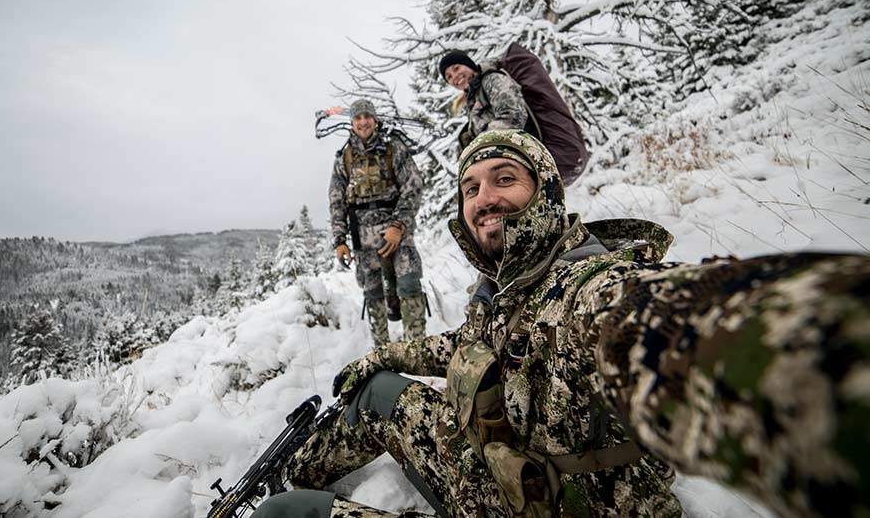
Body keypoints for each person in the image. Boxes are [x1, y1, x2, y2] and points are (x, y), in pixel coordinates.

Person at [257, 129, 869, 518]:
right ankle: (291, 470)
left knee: (284, 517)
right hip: (489, 472)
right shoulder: (510, 283)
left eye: (505, 178)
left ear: (546, 193)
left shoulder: (588, 288)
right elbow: (478, 345)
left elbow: (693, 330)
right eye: (470, 187)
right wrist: (389, 355)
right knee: (376, 393)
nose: (484, 198)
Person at [329, 98, 428, 348]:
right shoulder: (345, 158)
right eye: (358, 118)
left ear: (374, 119)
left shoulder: (393, 147)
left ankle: (417, 350)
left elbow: (413, 186)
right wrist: (340, 241)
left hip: (397, 234)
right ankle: (382, 353)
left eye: (367, 116)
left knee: (409, 286)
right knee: (373, 295)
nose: (363, 122)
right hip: (363, 238)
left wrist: (399, 226)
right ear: (351, 123)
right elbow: (336, 200)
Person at [440, 47, 588, 185]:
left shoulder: (492, 80)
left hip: (527, 159)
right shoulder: (474, 97)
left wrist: (481, 145)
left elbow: (513, 114)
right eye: (449, 77)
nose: (455, 76)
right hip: (515, 163)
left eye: (456, 68)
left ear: (469, 64)